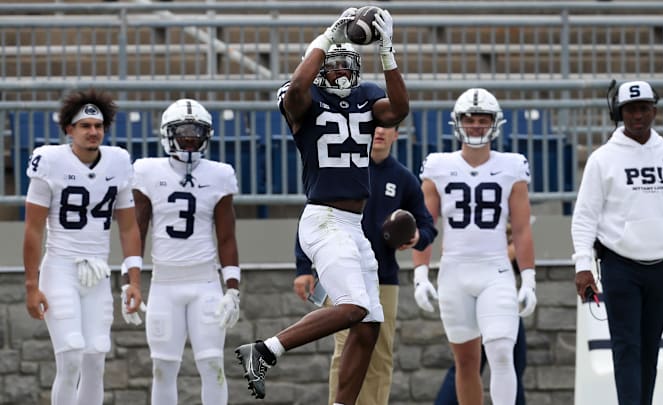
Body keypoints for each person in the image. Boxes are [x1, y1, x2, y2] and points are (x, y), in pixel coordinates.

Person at [234, 7, 409, 404]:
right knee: (352, 308)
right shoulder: (303, 98)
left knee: (369, 326)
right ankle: (264, 351)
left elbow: (399, 110)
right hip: (324, 219)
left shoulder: (366, 100)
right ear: (317, 69)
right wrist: (326, 38)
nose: (341, 74)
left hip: (353, 225)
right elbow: (296, 90)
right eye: (332, 67)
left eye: (347, 66)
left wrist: (387, 52)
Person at [293, 125, 438, 405]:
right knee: (344, 347)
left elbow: (428, 227)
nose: (380, 132)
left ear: (398, 134)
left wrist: (417, 237)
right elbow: (312, 216)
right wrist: (303, 269)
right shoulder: (342, 170)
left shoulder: (404, 179)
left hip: (382, 278)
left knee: (379, 353)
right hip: (338, 272)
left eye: (389, 128)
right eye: (375, 126)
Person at [572, 80, 663, 405]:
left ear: (653, 110)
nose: (637, 115)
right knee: (626, 347)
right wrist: (583, 266)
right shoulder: (603, 159)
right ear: (619, 113)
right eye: (630, 109)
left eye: (643, 108)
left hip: (662, 266)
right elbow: (585, 216)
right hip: (619, 264)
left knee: (650, 347)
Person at [412, 88, 537, 405]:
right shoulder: (438, 165)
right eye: (471, 119)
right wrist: (420, 274)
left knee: (500, 350)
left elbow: (521, 230)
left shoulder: (512, 166)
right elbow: (427, 225)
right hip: (454, 271)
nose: (478, 126)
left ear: (495, 124)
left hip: (495, 269)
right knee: (466, 362)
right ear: (459, 123)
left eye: (484, 120)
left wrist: (530, 279)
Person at [22, 89, 144, 405]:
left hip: (98, 272)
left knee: (95, 356)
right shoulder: (50, 161)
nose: (93, 132)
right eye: (85, 126)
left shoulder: (118, 161)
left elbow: (129, 227)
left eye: (98, 125)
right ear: (69, 130)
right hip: (61, 267)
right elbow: (33, 230)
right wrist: (31, 285)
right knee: (72, 354)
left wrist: (134, 279)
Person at [132, 98, 241, 405]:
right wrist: (132, 280)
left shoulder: (219, 174)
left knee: (212, 365)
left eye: (197, 131)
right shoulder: (147, 171)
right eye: (184, 131)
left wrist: (232, 289)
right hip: (164, 284)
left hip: (205, 282)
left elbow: (227, 237)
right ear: (168, 133)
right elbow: (137, 229)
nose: (190, 138)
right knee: (163, 369)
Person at [435, 222, 528, 405]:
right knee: (466, 364)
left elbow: (519, 247)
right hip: (472, 295)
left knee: (509, 361)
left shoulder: (504, 210)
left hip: (499, 298)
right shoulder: (464, 221)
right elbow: (448, 247)